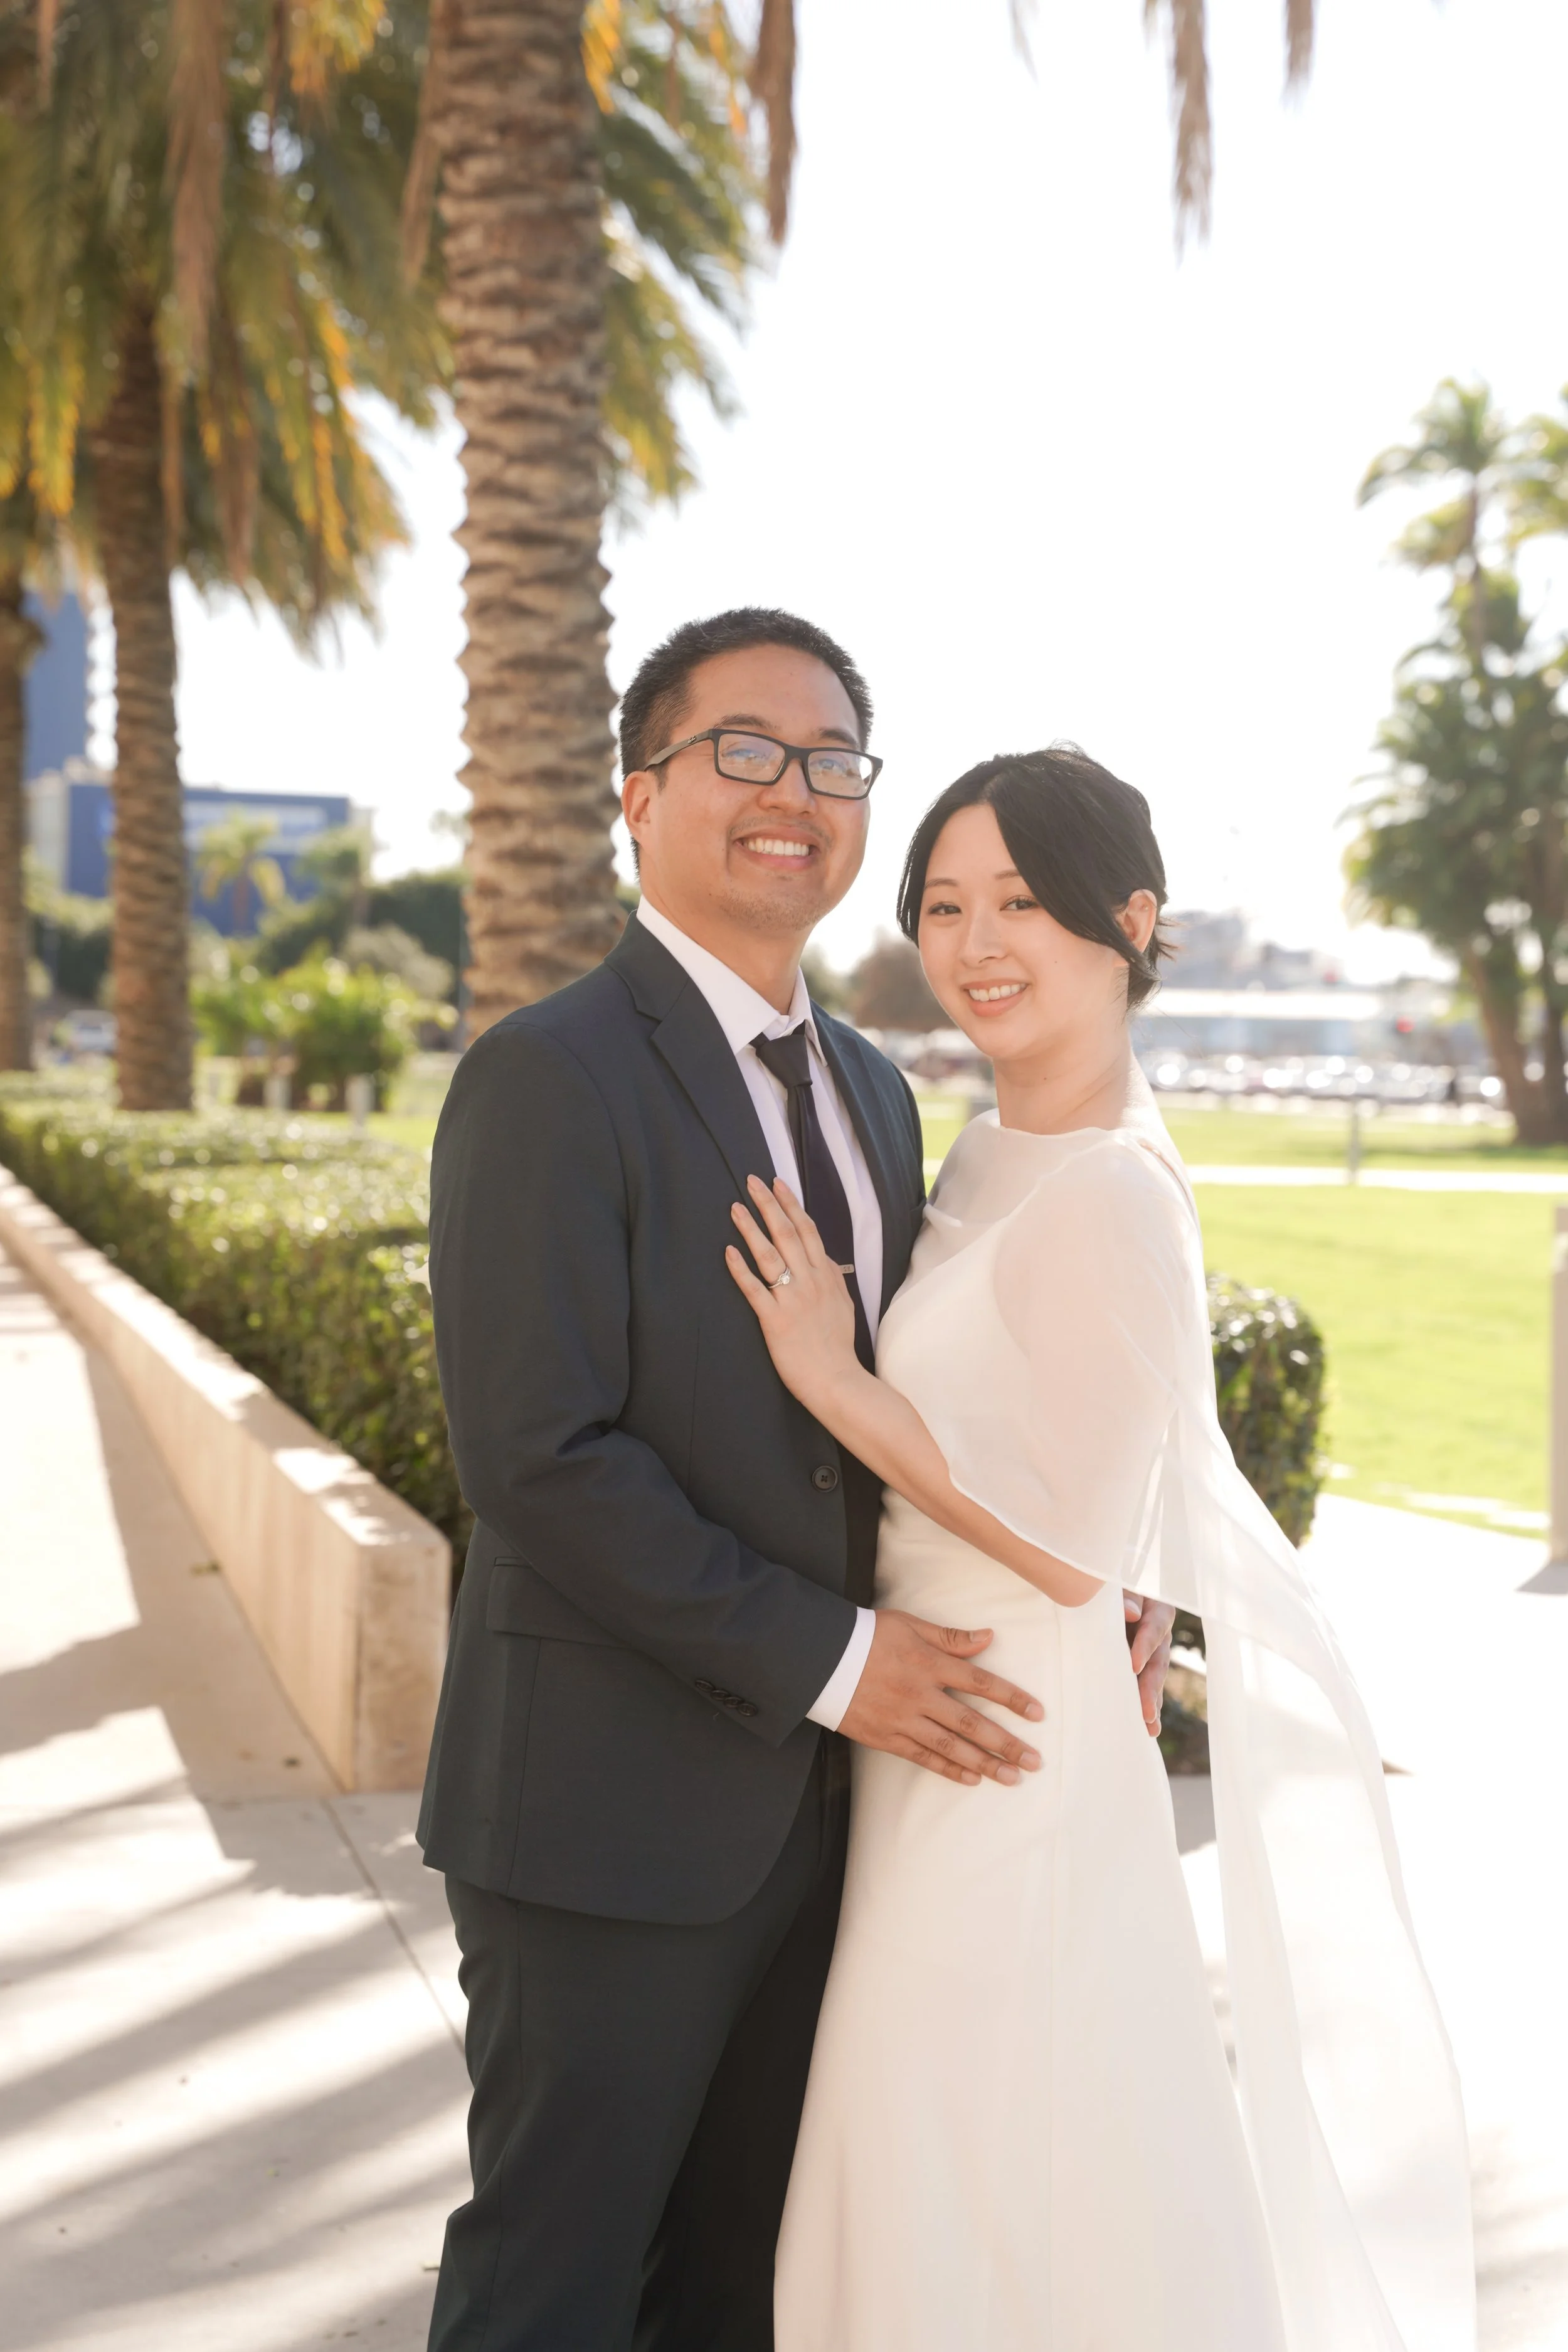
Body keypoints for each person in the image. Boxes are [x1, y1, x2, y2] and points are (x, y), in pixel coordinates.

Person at [416, 612, 1175, 2351]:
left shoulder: (873, 1092)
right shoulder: (544, 1077)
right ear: (638, 794)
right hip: (609, 1818)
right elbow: (538, 1460)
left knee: (744, 2290)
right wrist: (843, 1661)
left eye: (832, 760)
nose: (793, 793)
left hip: (845, 1824)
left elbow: (973, 1410)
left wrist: (1109, 1566)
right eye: (742, 750)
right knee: (555, 2276)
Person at [728, 747, 1476, 2352]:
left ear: (1130, 920)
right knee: (947, 2159)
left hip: (1013, 1752)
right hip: (934, 1731)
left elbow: (1065, 1552)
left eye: (1021, 902)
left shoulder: (1117, 1187)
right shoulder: (992, 1147)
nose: (974, 941)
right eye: (941, 903)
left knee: (978, 2161)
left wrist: (830, 1381)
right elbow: (1085, 1458)